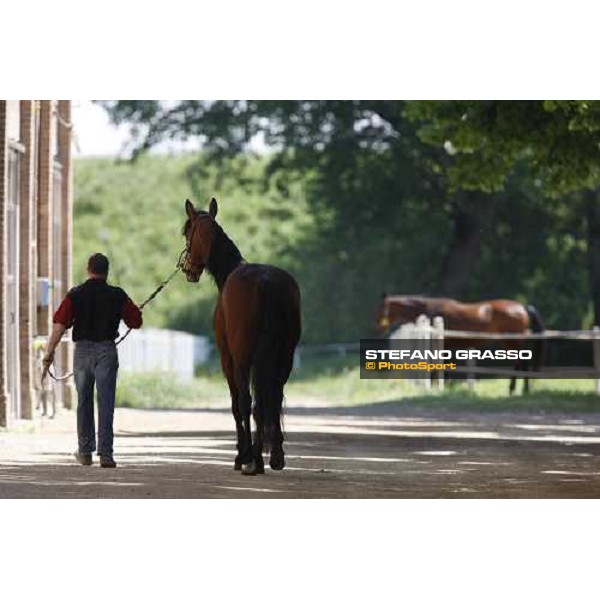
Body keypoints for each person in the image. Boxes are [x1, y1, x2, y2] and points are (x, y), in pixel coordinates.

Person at [42, 253, 143, 468]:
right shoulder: (117, 295)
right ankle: (106, 455)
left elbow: (59, 325)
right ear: (107, 272)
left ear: (88, 270)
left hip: (83, 352)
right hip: (107, 350)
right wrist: (136, 312)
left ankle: (85, 451)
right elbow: (135, 321)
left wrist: (49, 353)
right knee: (106, 403)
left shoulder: (75, 295)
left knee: (84, 401)